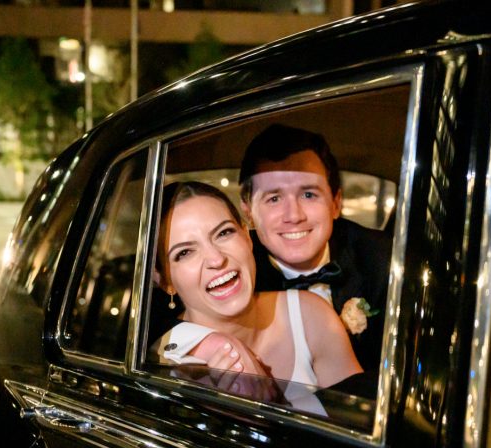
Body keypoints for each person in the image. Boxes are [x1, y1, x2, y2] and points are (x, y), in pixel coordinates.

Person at [152, 181, 362, 399]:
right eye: (185, 253)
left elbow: (358, 422)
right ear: (166, 280)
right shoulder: (169, 370)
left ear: (246, 236)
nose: (216, 259)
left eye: (224, 233)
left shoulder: (309, 314)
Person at [237, 124, 392, 373]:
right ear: (248, 213)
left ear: (336, 203)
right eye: (274, 198)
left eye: (308, 195)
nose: (294, 216)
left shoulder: (384, 261)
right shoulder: (233, 271)